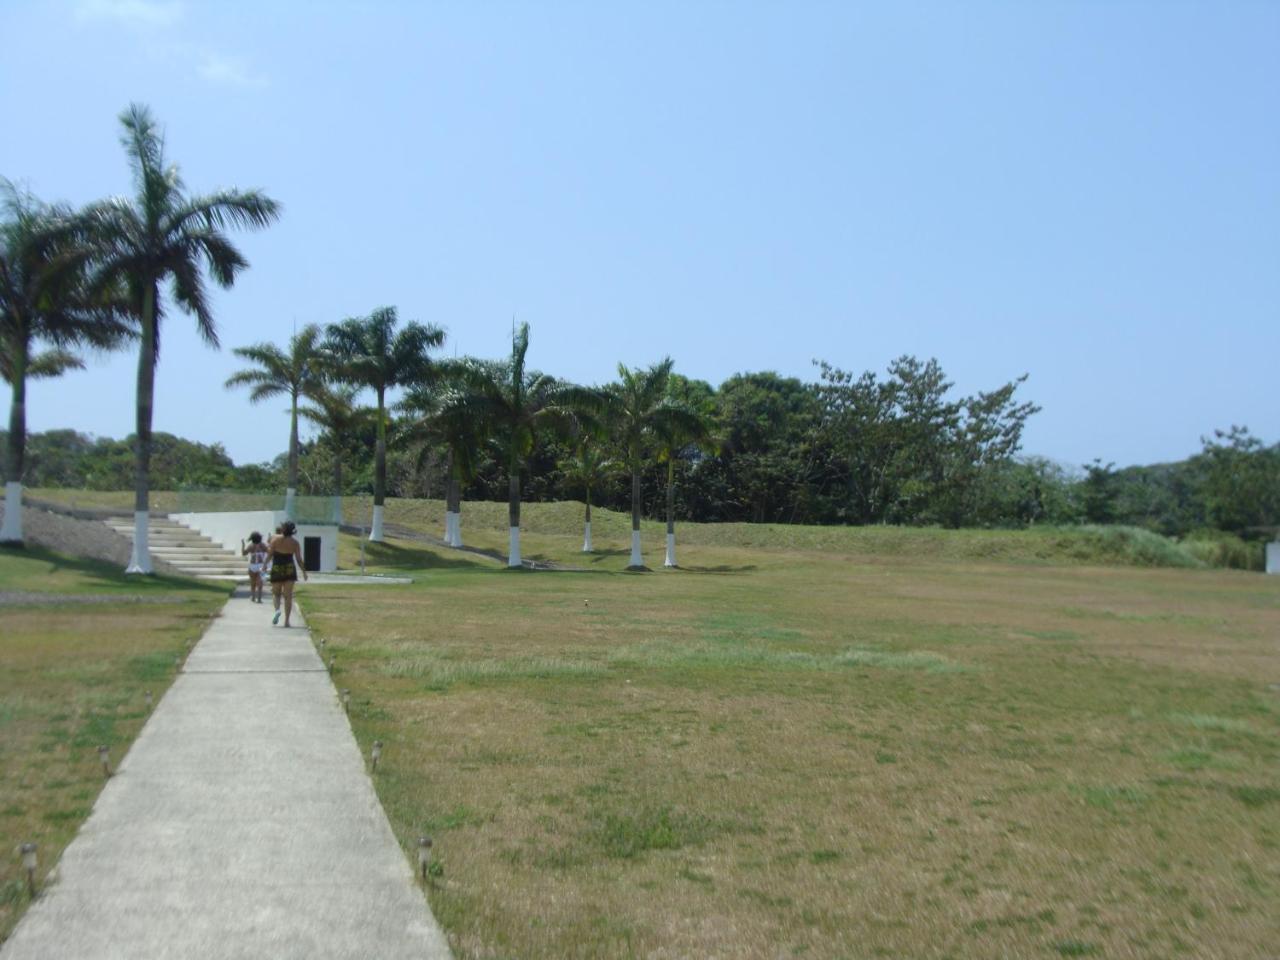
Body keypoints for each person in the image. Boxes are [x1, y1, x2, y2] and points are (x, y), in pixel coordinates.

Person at [268, 520, 308, 627]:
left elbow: (270, 554)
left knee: (276, 593)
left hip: (277, 568)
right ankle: (287, 621)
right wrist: (304, 572)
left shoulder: (275, 540)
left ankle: (277, 610)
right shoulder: (295, 543)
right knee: (288, 596)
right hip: (290, 568)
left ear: (283, 529)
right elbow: (299, 560)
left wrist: (264, 566)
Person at [241, 532, 269, 603]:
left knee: (252, 582)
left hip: (252, 565)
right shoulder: (263, 545)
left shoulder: (251, 546)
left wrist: (243, 545)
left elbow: (244, 553)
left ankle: (253, 597)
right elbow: (270, 552)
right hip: (261, 565)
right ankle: (259, 598)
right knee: (260, 583)